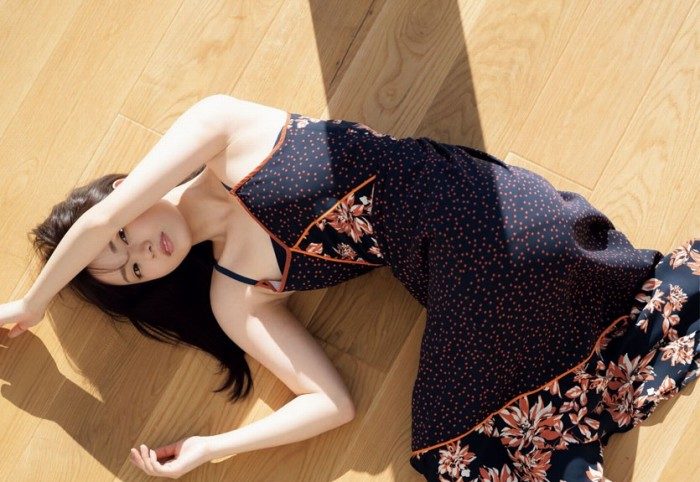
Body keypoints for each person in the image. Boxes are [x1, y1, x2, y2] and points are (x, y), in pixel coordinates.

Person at [1, 94, 697, 480]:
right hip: (459, 283)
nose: (140, 253)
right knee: (451, 445)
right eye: (132, 271)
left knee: (467, 444)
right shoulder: (234, 292)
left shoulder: (219, 129)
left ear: (124, 193)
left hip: (489, 204)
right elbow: (330, 405)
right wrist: (215, 448)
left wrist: (34, 303)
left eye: (120, 236)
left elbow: (98, 222)